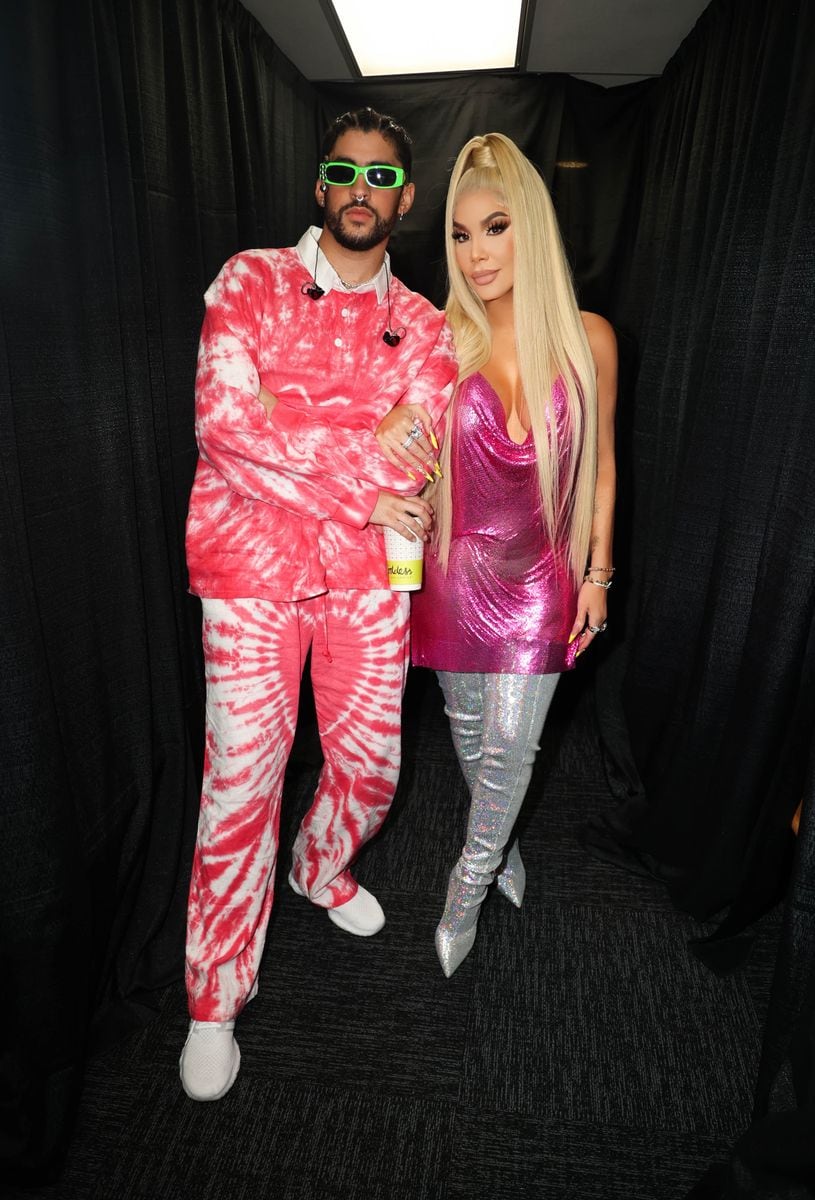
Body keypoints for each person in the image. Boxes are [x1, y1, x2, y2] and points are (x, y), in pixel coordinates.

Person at [180, 108, 456, 1098]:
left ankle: (317, 862)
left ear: (404, 199)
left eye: (380, 177)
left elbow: (417, 447)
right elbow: (224, 428)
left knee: (373, 767)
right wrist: (358, 459)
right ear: (319, 187)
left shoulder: (424, 325)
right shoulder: (248, 280)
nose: (359, 189)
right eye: (342, 171)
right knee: (240, 781)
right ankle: (215, 996)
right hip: (249, 574)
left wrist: (292, 424)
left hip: (368, 575)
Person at [409, 133, 617, 977]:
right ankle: (504, 850)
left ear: (529, 227)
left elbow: (602, 465)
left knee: (512, 747)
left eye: (494, 227)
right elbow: (397, 455)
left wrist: (598, 571)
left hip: (540, 580)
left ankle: (467, 883)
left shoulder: (589, 340)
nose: (477, 251)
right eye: (460, 235)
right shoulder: (436, 341)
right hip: (453, 576)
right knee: (468, 740)